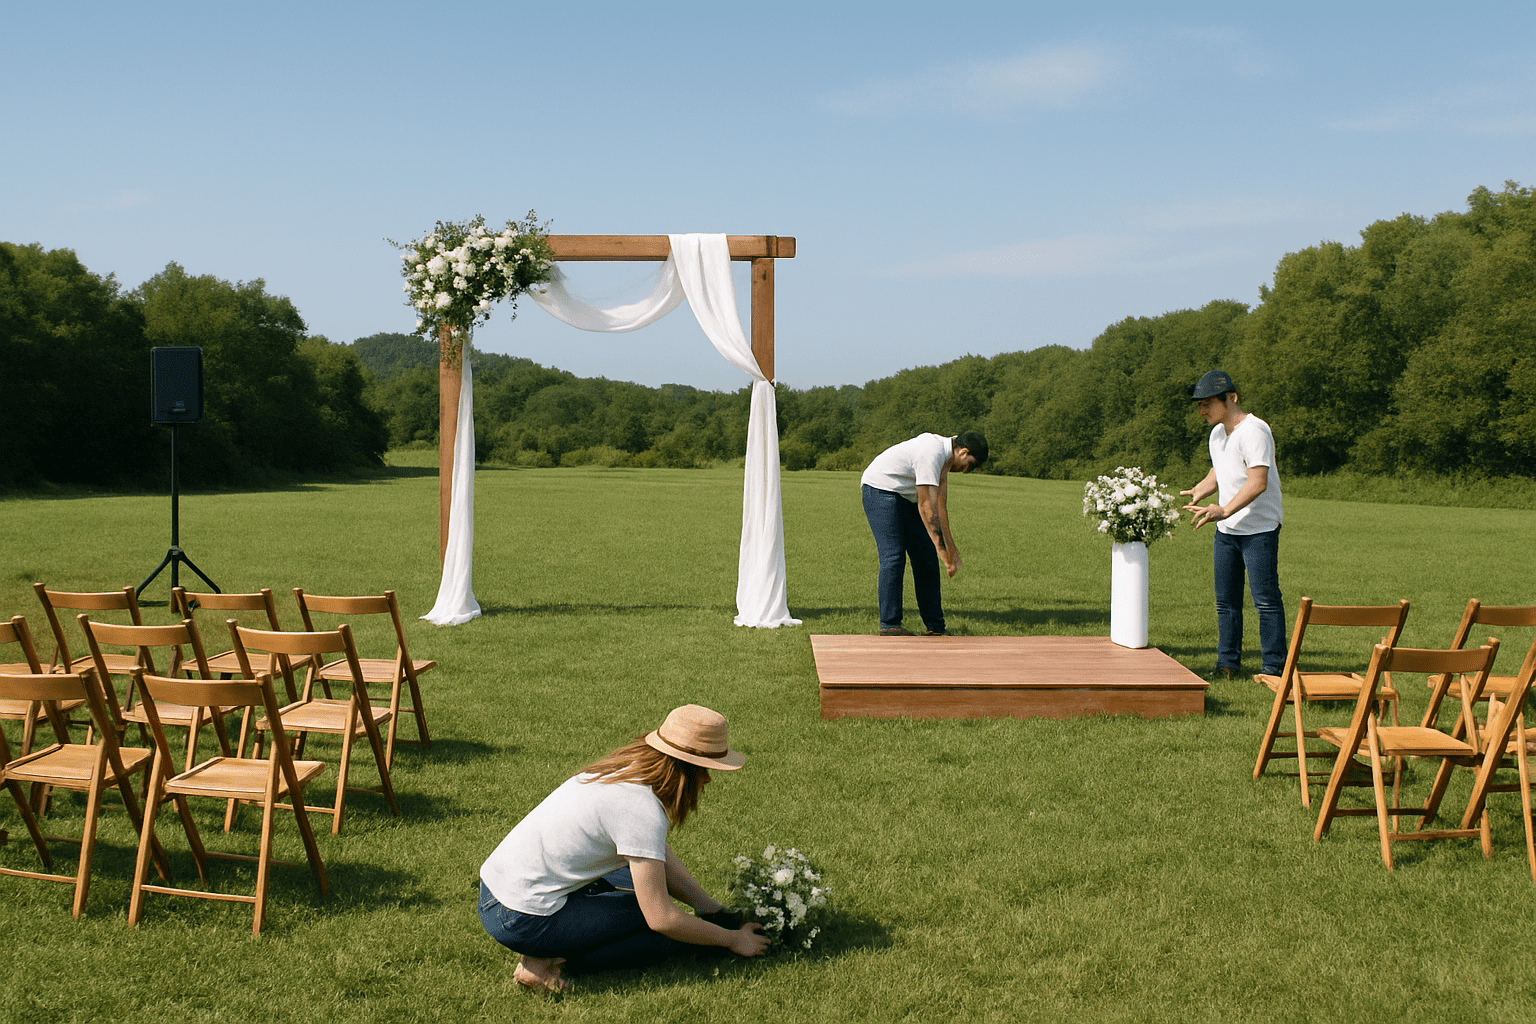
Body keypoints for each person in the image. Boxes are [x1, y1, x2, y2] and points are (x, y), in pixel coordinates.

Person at [478, 705, 769, 994]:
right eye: (705, 770)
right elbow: (661, 918)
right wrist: (731, 939)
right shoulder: (641, 809)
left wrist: (709, 908)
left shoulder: (625, 773)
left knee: (646, 891)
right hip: (519, 917)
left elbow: (656, 853)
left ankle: (550, 951)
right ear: (687, 769)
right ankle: (541, 963)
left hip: (499, 893)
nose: (707, 779)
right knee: (657, 934)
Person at [1179, 370, 1287, 677]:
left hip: (1259, 528)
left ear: (1232, 398)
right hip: (1227, 530)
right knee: (1226, 603)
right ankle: (1227, 664)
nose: (1202, 410)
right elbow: (1221, 469)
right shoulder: (1217, 433)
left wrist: (1224, 509)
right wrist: (1203, 487)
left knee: (1265, 601)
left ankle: (1273, 668)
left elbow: (1258, 482)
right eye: (1199, 405)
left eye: (1208, 404)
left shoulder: (1255, 431)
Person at [860, 430, 989, 637]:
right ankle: (890, 624)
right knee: (894, 557)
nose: (967, 470)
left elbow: (940, 508)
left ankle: (935, 627)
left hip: (905, 497)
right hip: (880, 490)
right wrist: (945, 556)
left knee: (926, 559)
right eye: (971, 465)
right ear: (963, 452)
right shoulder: (932, 452)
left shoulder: (945, 461)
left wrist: (951, 552)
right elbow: (926, 506)